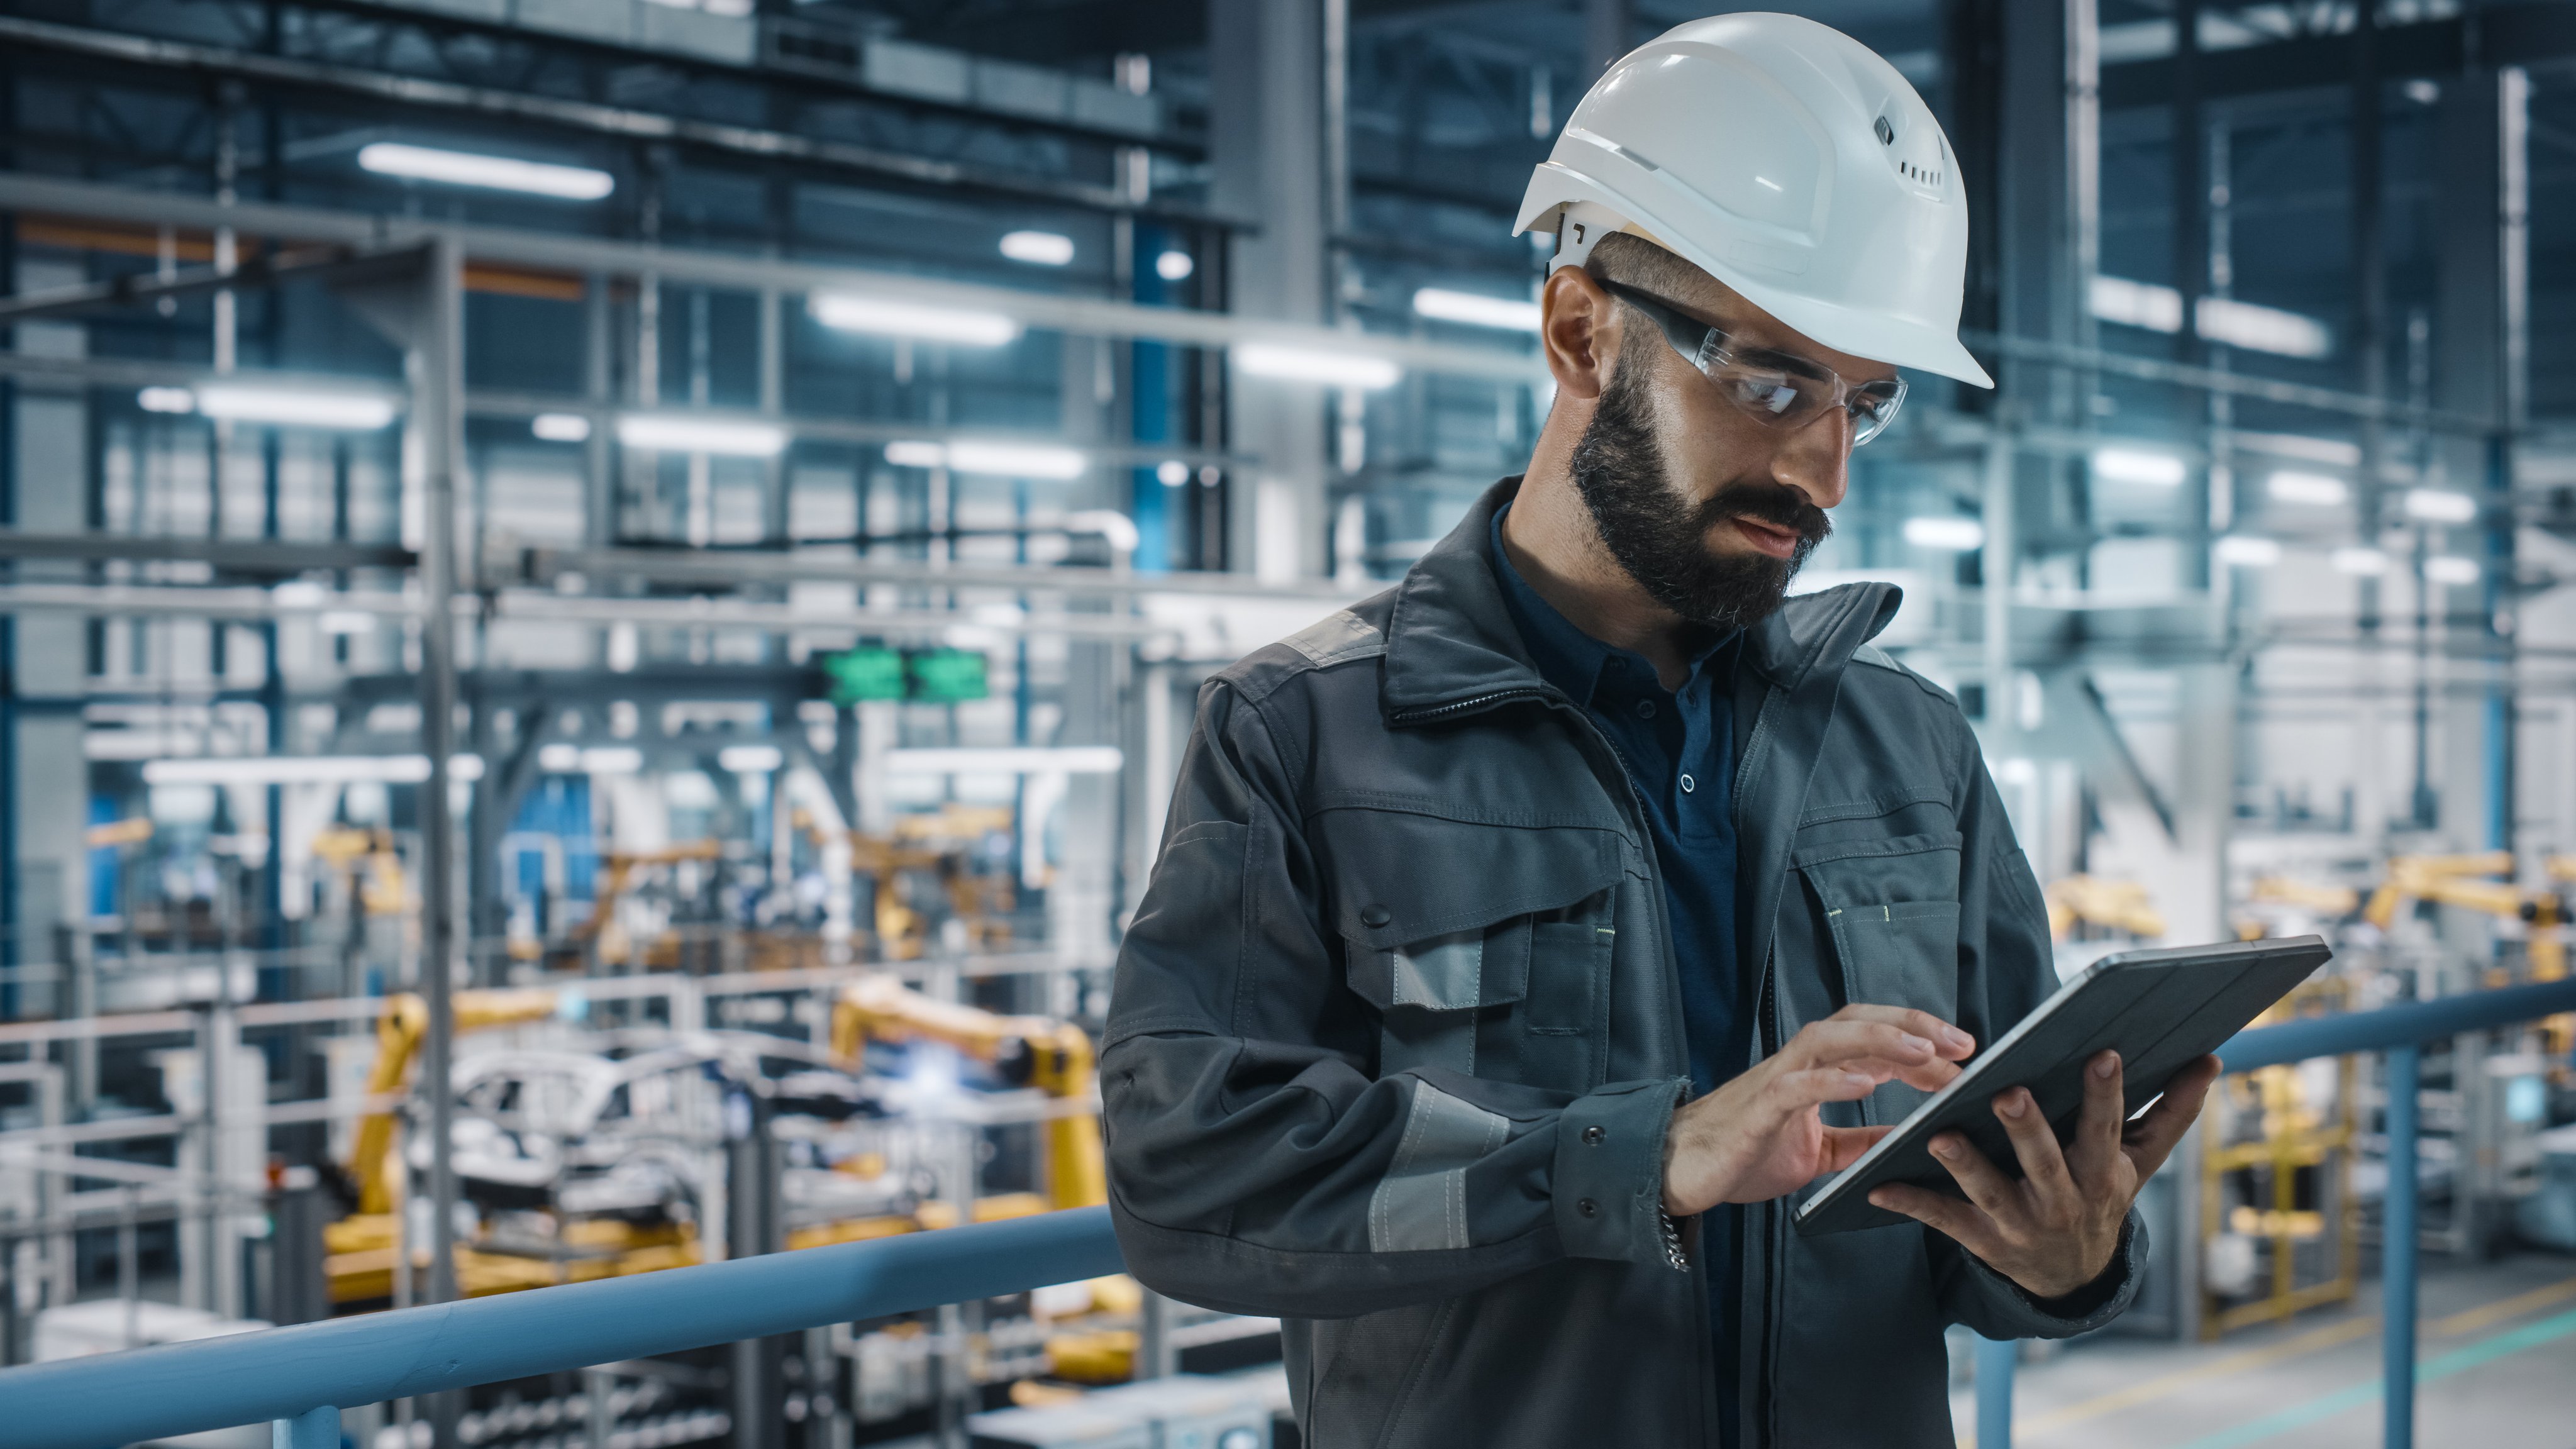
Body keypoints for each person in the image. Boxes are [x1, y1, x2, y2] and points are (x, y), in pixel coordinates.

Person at [1099, 14, 2220, 1446]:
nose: (1818, 468)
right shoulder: (1306, 735)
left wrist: (2070, 1260)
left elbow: (1973, 1218)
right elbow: (1192, 1179)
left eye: (1860, 407)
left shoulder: (1910, 753)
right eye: (1768, 384)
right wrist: (1647, 1159)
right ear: (1579, 330)